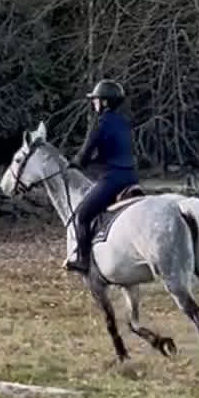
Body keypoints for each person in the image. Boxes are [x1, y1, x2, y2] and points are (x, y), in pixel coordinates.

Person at [65, 80, 138, 274]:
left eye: (96, 99)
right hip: (132, 178)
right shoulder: (124, 123)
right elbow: (115, 152)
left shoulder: (100, 123)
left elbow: (86, 152)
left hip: (113, 180)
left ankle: (83, 260)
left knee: (81, 216)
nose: (93, 102)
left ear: (104, 102)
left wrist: (76, 162)